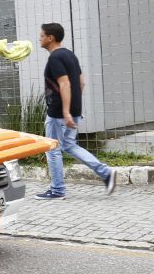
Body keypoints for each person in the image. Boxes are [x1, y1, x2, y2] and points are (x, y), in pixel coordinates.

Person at [36, 22, 117, 199]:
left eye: (41, 35)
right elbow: (81, 82)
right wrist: (74, 108)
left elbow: (65, 83)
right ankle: (106, 173)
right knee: (69, 145)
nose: (39, 38)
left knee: (52, 149)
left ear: (51, 38)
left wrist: (65, 111)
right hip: (73, 109)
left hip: (58, 112)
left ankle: (57, 190)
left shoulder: (55, 58)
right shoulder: (70, 55)